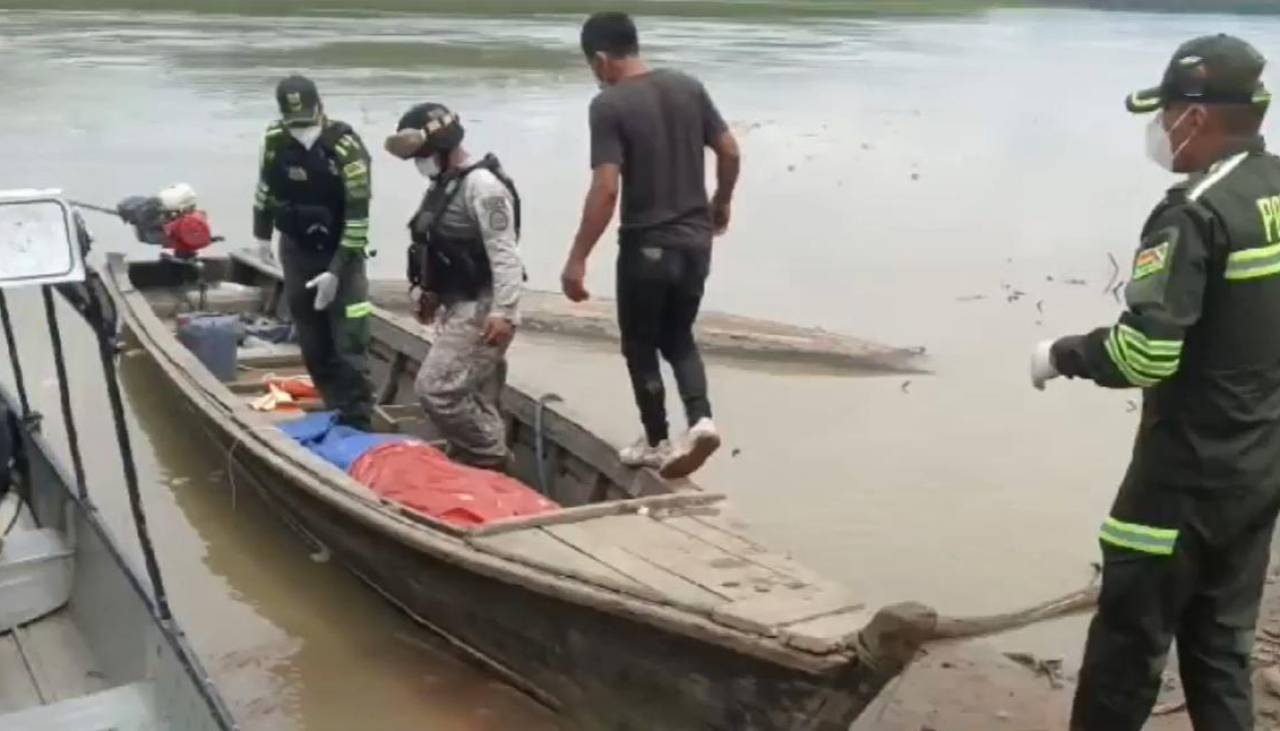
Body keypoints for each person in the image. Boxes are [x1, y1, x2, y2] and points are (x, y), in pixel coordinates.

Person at [1031, 35, 1280, 731]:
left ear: (1194, 118)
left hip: (1179, 480)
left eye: (1165, 112)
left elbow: (1145, 354)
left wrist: (1063, 352)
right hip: (1258, 468)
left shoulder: (1193, 212)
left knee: (1125, 653)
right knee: (1220, 651)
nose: (1159, 129)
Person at [561, 11, 740, 480]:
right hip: (696, 241)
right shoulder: (688, 85)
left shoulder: (609, 106)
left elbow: (605, 188)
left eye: (592, 68)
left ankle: (657, 441)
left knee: (639, 344)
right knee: (678, 335)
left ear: (601, 60)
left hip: (647, 245)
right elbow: (730, 151)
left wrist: (577, 258)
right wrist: (720, 203)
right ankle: (701, 421)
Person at [385, 102, 522, 471]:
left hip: (483, 307)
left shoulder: (483, 187)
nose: (421, 163)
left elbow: (504, 253)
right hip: (456, 303)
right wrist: (428, 292)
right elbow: (434, 245)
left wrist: (505, 311)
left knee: (437, 390)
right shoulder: (444, 184)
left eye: (426, 155)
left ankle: (490, 455)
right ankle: (478, 458)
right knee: (476, 392)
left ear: (445, 148)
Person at [252, 74, 374, 429]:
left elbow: (358, 218)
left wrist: (336, 271)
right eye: (294, 124)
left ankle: (358, 419)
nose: (301, 130)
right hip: (297, 250)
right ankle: (333, 404)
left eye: (306, 122)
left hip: (342, 253)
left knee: (349, 342)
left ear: (320, 109)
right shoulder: (276, 140)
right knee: (311, 340)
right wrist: (261, 235)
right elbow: (265, 190)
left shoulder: (347, 148)